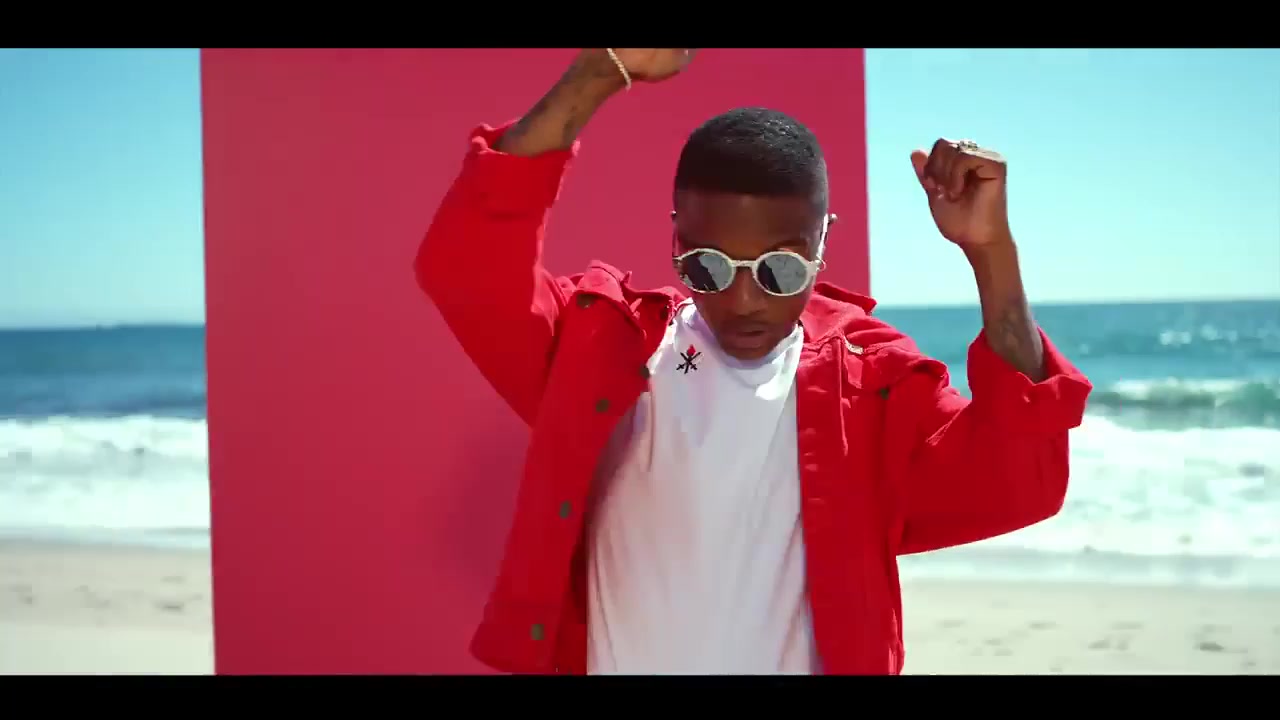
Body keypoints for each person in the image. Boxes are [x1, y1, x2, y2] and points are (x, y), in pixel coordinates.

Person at [415, 48, 1093, 675]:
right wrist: (599, 71)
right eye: (707, 266)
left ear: (823, 243)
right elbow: (467, 267)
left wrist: (990, 251)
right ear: (675, 236)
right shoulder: (601, 348)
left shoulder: (872, 383)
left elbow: (1016, 481)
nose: (743, 300)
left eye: (779, 269)